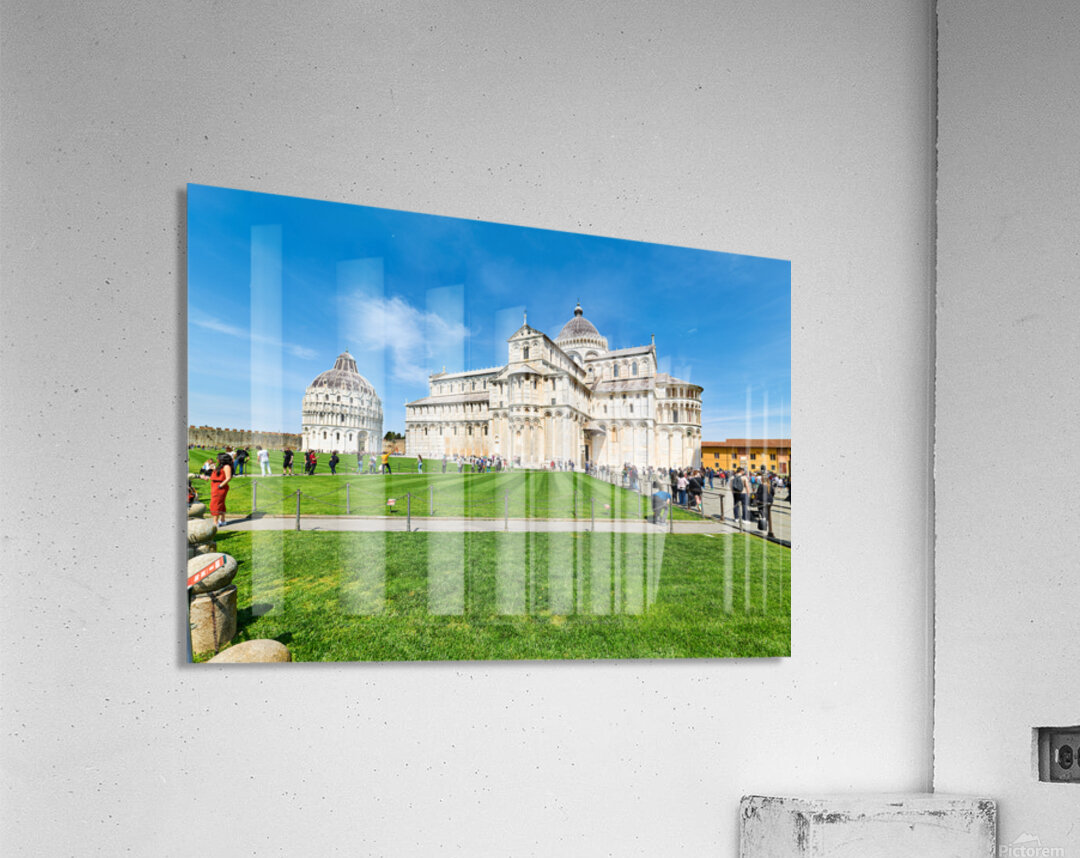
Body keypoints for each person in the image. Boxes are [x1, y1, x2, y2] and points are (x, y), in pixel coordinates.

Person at [198, 452, 233, 526]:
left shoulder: (226, 466)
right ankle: (222, 520)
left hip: (219, 486)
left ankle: (215, 522)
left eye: (218, 458)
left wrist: (220, 485)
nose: (217, 459)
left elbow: (228, 478)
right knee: (220, 503)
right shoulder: (220, 466)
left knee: (215, 503)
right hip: (215, 485)